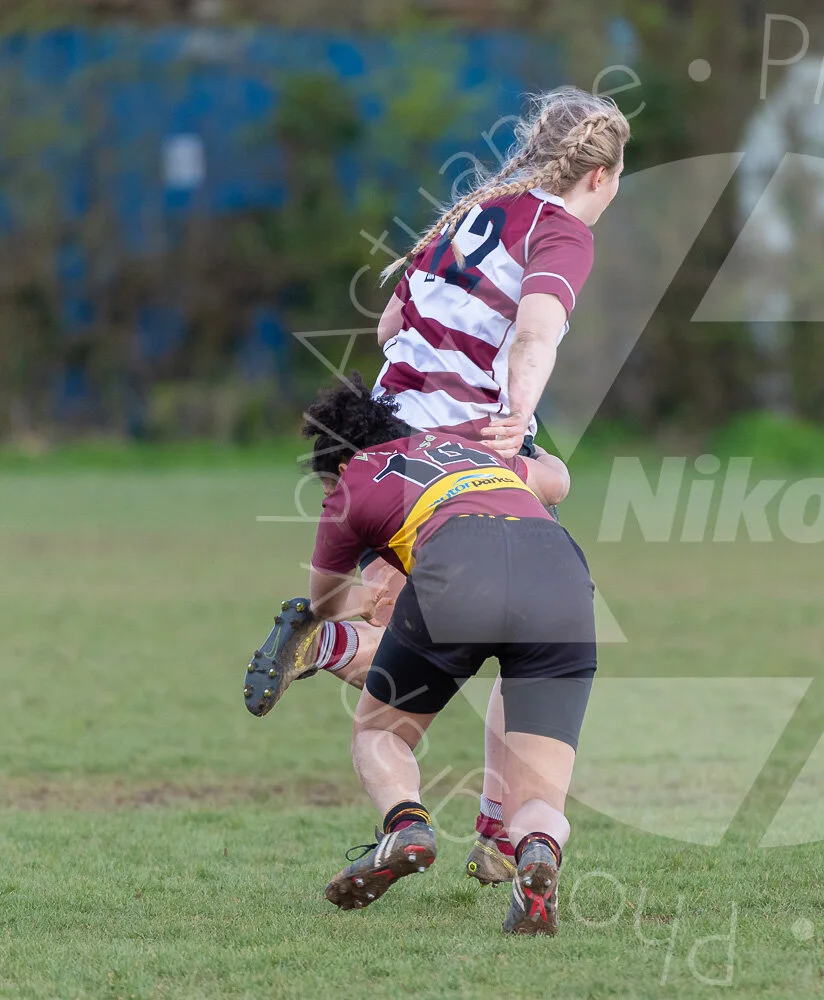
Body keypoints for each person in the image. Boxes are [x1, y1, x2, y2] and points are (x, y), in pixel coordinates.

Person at [242, 86, 629, 883]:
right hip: (455, 443)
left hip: (385, 431)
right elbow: (536, 329)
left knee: (510, 576)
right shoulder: (560, 230)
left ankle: (490, 828)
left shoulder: (470, 214)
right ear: (601, 176)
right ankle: (333, 640)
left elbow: (388, 329)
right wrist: (516, 411)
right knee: (501, 633)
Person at [298, 377, 594, 934]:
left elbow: (323, 600)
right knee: (533, 794)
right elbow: (557, 480)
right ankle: (536, 853)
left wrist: (373, 597)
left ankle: (407, 825)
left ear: (338, 465)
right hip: (561, 576)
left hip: (458, 569)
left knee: (380, 734)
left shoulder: (352, 482)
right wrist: (535, 444)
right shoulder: (466, 446)